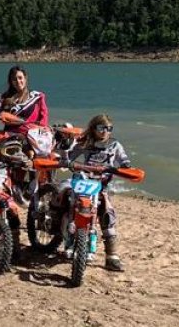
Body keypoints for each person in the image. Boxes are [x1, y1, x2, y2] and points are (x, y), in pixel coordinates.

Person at [62, 114, 131, 271]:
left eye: (109, 128)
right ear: (94, 129)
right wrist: (66, 156)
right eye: (102, 128)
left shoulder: (115, 146)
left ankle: (111, 257)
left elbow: (124, 161)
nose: (105, 131)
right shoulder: (85, 143)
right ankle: (65, 234)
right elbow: (69, 156)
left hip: (102, 186)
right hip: (83, 182)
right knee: (69, 201)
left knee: (107, 213)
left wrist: (126, 167)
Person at [0, 65, 50, 131]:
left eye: (20, 78)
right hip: (11, 135)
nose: (18, 81)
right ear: (11, 82)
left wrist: (41, 129)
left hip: (33, 133)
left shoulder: (38, 96)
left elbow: (44, 117)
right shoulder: (4, 98)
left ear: (25, 78)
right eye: (14, 79)